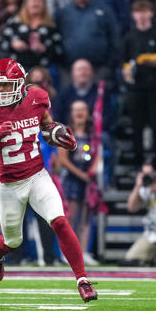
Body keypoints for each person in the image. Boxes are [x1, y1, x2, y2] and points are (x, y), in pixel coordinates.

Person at [0, 58, 97, 302]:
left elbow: (47, 127)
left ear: (20, 84)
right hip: (9, 184)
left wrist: (60, 136)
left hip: (37, 175)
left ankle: (82, 279)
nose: (1, 91)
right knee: (12, 241)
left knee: (59, 221)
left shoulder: (37, 97)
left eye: (7, 86)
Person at [123, 0, 156, 162]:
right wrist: (126, 72)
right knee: (137, 124)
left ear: (151, 14)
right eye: (138, 12)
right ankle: (138, 160)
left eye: (145, 12)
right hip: (136, 88)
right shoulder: (129, 37)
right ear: (133, 15)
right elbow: (123, 61)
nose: (142, 16)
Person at [55, 0, 121, 83]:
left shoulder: (105, 11)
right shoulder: (63, 12)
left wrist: (108, 66)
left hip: (99, 70)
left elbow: (114, 39)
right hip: (68, 71)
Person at [57, 100, 99, 266]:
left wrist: (92, 171)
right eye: (76, 110)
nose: (80, 113)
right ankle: (68, 253)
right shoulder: (65, 133)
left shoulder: (92, 134)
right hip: (73, 178)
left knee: (86, 218)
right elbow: (62, 159)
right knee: (71, 217)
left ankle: (84, 252)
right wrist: (81, 174)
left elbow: (98, 153)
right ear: (72, 113)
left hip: (88, 179)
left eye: (83, 110)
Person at [0, 0, 63, 70]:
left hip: (43, 71)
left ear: (44, 5)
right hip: (17, 71)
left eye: (38, 1)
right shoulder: (14, 22)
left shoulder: (51, 25)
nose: (35, 3)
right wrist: (13, 44)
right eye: (32, 0)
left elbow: (59, 50)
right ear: (26, 4)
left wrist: (44, 49)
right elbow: (1, 43)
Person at [54, 59, 98, 124]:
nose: (83, 73)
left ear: (92, 73)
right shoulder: (63, 94)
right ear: (73, 73)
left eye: (86, 69)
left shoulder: (100, 93)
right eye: (79, 70)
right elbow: (57, 118)